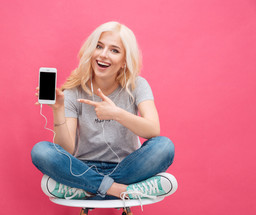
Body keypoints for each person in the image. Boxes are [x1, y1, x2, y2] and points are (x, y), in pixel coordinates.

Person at [31, 21, 177, 200]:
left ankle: (86, 189)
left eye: (114, 50)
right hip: (82, 168)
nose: (103, 55)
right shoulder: (73, 91)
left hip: (126, 167)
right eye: (99, 47)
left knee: (164, 146)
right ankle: (123, 191)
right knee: (41, 151)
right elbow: (66, 149)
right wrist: (58, 109)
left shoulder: (137, 85)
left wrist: (116, 113)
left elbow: (153, 130)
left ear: (124, 61)